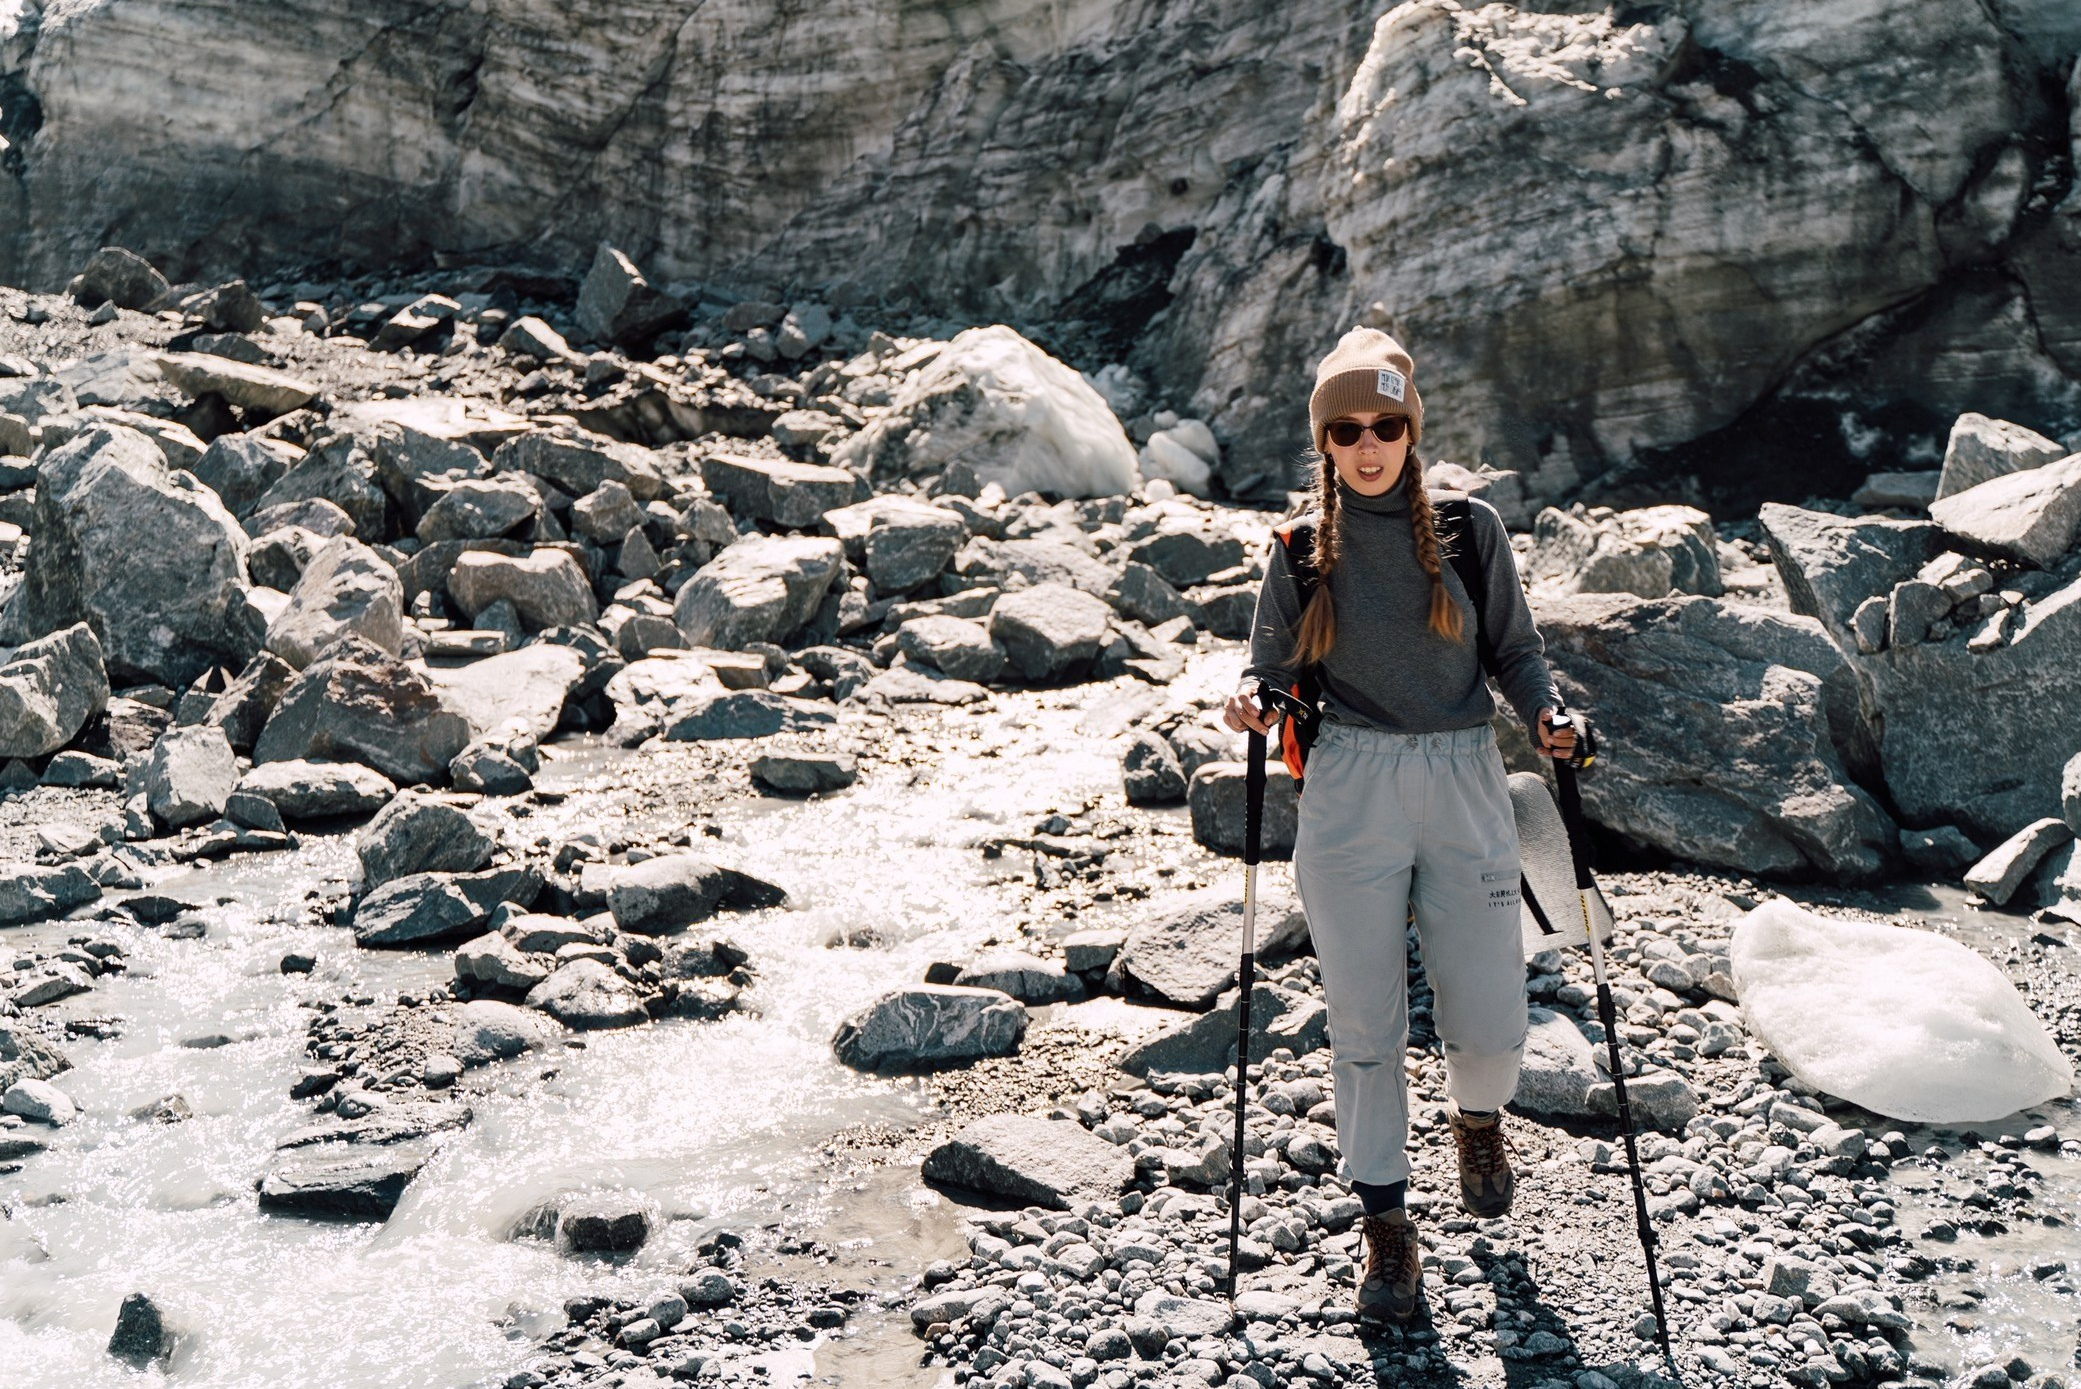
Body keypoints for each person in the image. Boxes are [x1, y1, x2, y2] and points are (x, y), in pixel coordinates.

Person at [1223, 327, 1577, 1323]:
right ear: (1324, 443)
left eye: (1384, 425)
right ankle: (1386, 1232)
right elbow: (1268, 671)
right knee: (1363, 1023)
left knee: (1489, 1011)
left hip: (1464, 775)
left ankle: (1476, 1119)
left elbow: (1515, 650)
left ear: (1410, 430)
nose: (1366, 444)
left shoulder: (1469, 530)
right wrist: (1254, 700)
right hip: (1349, 790)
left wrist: (1546, 716)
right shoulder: (1298, 551)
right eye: (1345, 430)